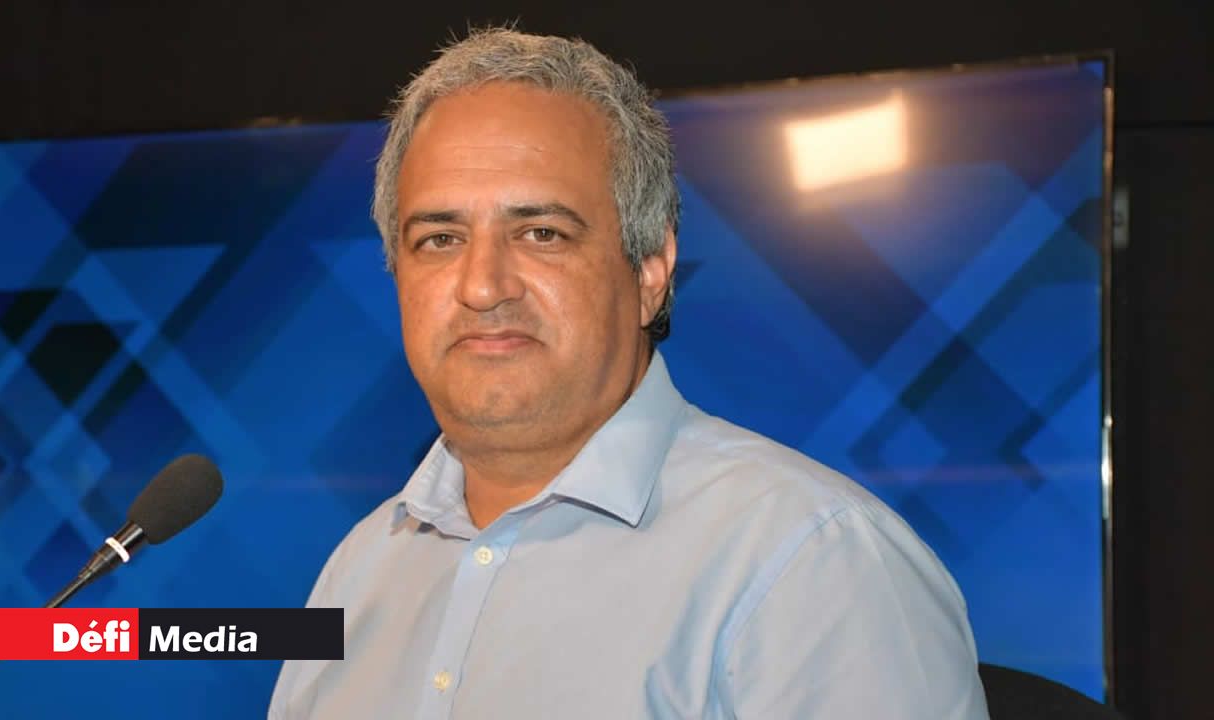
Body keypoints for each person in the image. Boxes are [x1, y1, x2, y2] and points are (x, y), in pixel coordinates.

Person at [269, 28, 989, 719]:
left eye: (542, 233)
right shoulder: (356, 574)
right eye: (439, 239)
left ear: (650, 271)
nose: (482, 286)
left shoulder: (815, 564)